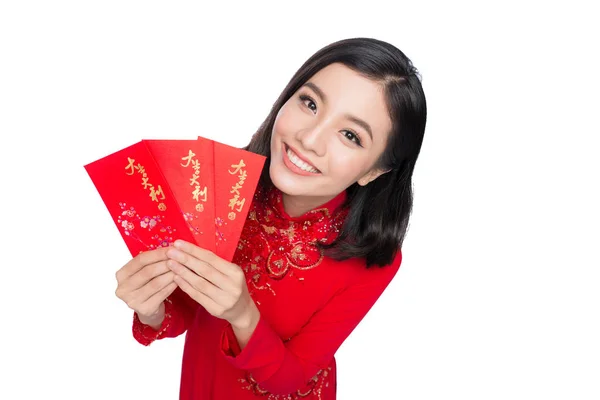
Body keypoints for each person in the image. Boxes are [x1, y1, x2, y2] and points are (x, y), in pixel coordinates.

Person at [114, 37, 427, 399]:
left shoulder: (372, 259)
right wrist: (151, 306)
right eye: (310, 103)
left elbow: (290, 380)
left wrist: (242, 313)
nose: (310, 139)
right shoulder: (220, 183)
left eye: (350, 135)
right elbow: (183, 312)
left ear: (375, 170)